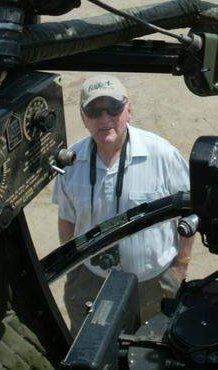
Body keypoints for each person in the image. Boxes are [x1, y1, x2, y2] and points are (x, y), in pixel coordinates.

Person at [52, 75, 193, 333]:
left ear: (129, 110)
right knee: (89, 347)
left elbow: (190, 212)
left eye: (113, 107)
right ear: (83, 118)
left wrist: (180, 267)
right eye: (94, 111)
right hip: (91, 280)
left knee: (153, 349)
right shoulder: (71, 162)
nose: (104, 118)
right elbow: (67, 219)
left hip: (153, 282)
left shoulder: (161, 154)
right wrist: (74, 270)